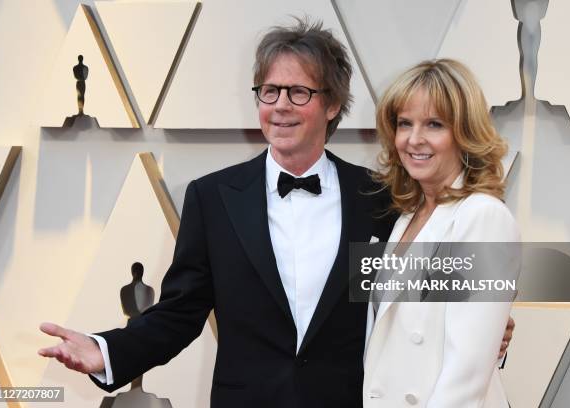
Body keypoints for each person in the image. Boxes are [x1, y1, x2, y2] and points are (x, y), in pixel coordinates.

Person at [38, 21, 513, 408]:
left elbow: (431, 319)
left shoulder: (382, 201)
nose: (280, 106)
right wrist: (105, 352)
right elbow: (179, 313)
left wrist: (495, 330)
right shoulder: (212, 198)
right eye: (269, 91)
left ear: (332, 104)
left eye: (299, 92)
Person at [363, 59, 519, 407]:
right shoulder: (404, 218)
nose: (414, 139)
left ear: (464, 133)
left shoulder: (483, 217)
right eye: (405, 123)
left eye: (434, 124)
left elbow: (466, 375)